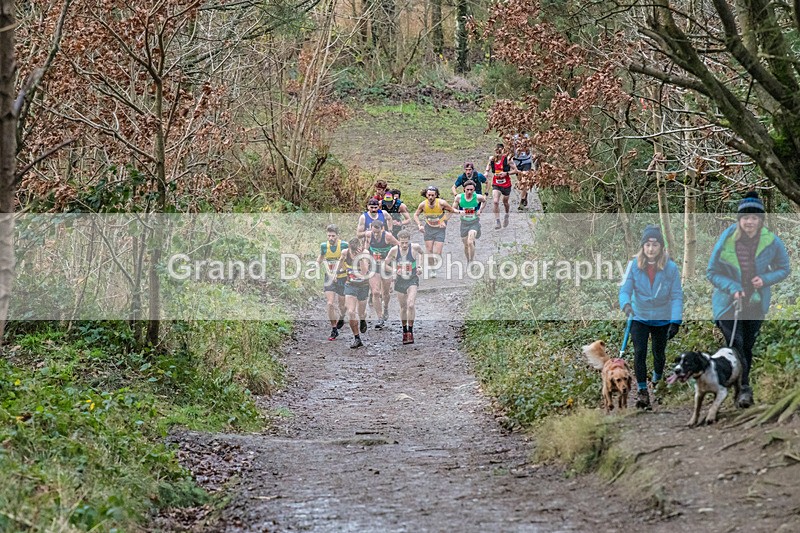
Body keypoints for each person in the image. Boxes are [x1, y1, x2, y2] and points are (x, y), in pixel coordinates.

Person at [707, 191, 790, 408]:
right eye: (745, 218)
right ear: (739, 220)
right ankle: (744, 389)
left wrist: (764, 279)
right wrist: (733, 287)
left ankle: (737, 388)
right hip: (728, 303)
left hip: (755, 302)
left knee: (747, 347)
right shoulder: (726, 238)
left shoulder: (771, 241)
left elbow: (784, 268)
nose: (749, 222)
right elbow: (712, 271)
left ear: (761, 220)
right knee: (736, 345)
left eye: (754, 218)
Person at [619, 224, 683, 410]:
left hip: (662, 317)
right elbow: (625, 290)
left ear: (661, 247)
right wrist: (626, 304)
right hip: (639, 315)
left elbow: (677, 295)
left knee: (658, 352)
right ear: (642, 247)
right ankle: (642, 391)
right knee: (639, 352)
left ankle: (656, 380)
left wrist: (675, 320)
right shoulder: (633, 265)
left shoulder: (671, 268)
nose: (651, 249)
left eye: (655, 245)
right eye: (647, 245)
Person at [384, 229, 425, 344]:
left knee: (410, 304)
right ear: (399, 242)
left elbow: (422, 253)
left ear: (409, 241)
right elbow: (385, 264)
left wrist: (420, 266)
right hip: (400, 281)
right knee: (403, 307)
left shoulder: (415, 247)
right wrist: (394, 270)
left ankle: (410, 331)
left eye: (406, 242)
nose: (404, 245)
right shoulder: (394, 250)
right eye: (402, 243)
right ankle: (404, 330)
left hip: (412, 279)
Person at [335, 237, 372, 349]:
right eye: (352, 251)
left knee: (361, 312)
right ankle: (357, 338)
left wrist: (360, 258)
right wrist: (335, 274)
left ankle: (363, 320)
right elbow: (340, 261)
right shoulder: (345, 252)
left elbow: (365, 271)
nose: (354, 254)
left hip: (363, 285)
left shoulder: (365, 253)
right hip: (350, 284)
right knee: (351, 312)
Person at [413, 186, 455, 278]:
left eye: (433, 195)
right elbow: (416, 215)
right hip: (429, 228)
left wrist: (445, 221)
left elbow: (451, 210)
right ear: (426, 195)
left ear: (436, 195)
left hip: (440, 229)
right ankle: (432, 269)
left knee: (438, 253)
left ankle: (436, 265)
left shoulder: (441, 203)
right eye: (429, 195)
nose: (431, 197)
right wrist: (419, 225)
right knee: (429, 252)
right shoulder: (423, 205)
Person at [316, 224, 348, 341]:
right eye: (329, 236)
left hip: (343, 277)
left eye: (333, 236)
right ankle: (334, 329)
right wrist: (316, 266)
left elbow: (351, 258)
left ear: (338, 236)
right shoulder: (324, 246)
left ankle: (342, 316)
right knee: (330, 303)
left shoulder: (344, 245)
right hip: (329, 277)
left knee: (342, 304)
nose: (331, 238)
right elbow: (321, 257)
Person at [367, 220, 399, 328]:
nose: (376, 235)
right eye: (374, 232)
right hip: (374, 267)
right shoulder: (368, 235)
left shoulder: (388, 237)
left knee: (385, 293)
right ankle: (380, 318)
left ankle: (385, 307)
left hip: (386, 266)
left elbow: (399, 247)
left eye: (378, 232)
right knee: (376, 292)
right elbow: (365, 249)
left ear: (382, 229)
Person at [485, 143, 518, 229]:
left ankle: (506, 216)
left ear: (503, 151)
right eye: (496, 151)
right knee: (495, 201)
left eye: (500, 151)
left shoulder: (507, 160)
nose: (498, 153)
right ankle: (497, 221)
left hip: (506, 184)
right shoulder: (492, 159)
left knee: (505, 202)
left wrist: (506, 173)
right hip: (496, 184)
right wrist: (486, 172)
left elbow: (516, 170)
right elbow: (488, 165)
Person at [453, 180, 487, 264]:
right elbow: (452, 209)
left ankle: (472, 261)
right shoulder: (459, 197)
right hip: (464, 223)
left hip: (474, 223)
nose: (469, 191)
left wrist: (480, 210)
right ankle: (468, 260)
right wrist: (459, 212)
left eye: (471, 190)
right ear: (464, 189)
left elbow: (484, 201)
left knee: (470, 241)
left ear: (474, 189)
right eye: (467, 189)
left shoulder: (478, 197)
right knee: (466, 245)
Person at [512, 134, 536, 210]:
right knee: (520, 182)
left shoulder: (528, 137)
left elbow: (532, 147)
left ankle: (522, 201)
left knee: (524, 181)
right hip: (517, 162)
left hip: (526, 161)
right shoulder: (513, 138)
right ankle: (525, 195)